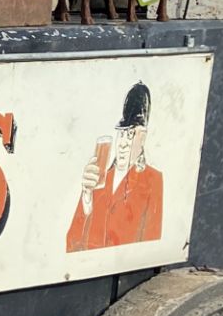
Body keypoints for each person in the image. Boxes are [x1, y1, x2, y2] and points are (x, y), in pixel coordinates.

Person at [67, 83, 162, 252]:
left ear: (143, 138)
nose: (124, 143)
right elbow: (72, 241)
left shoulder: (152, 180)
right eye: (122, 133)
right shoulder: (99, 178)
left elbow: (151, 246)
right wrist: (86, 199)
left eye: (131, 134)